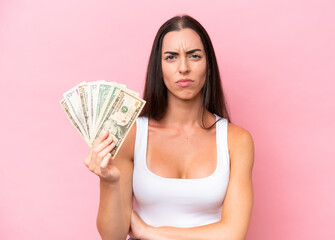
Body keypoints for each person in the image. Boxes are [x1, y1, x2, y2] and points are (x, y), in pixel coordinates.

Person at [84, 15, 254, 240]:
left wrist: (147, 232)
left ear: (209, 65)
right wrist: (109, 181)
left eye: (194, 56)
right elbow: (112, 236)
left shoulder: (236, 140)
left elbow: (233, 234)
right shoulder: (132, 135)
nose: (183, 68)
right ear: (159, 68)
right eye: (171, 57)